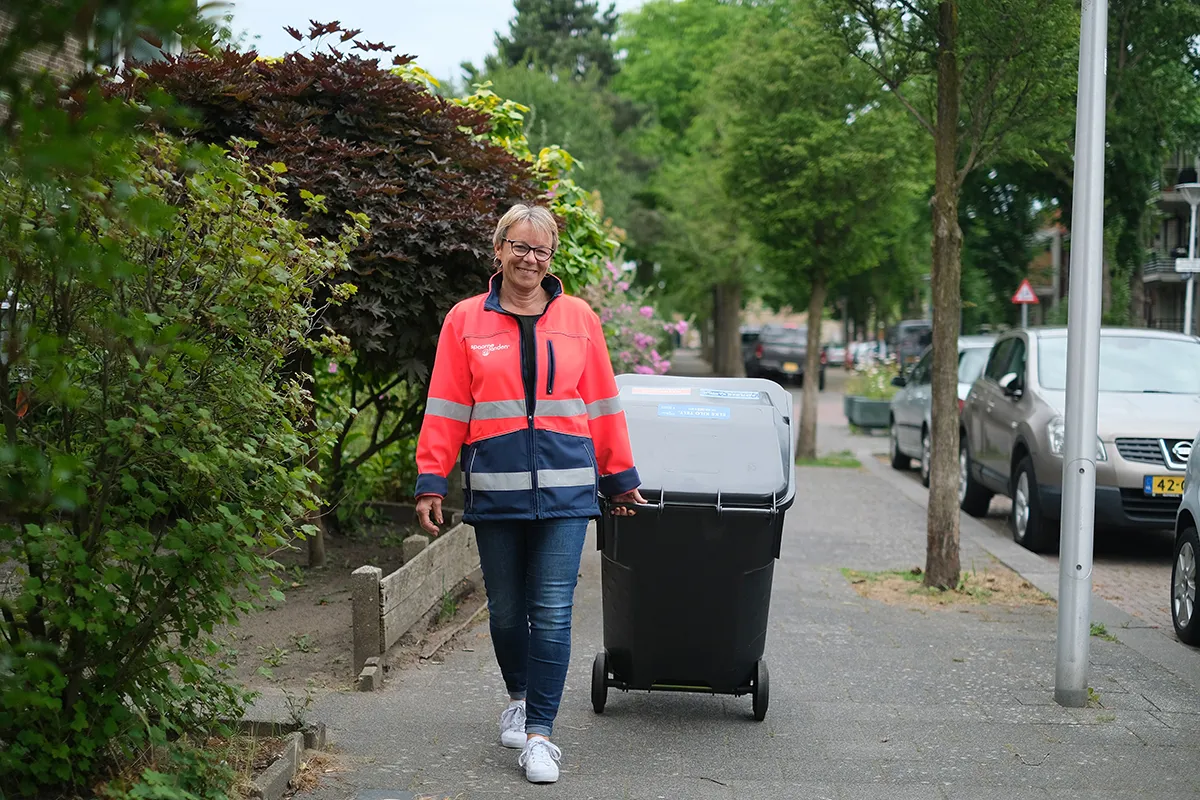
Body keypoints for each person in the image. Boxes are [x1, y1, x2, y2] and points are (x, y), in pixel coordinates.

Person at [414, 203, 645, 785]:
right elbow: (446, 404)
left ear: (551, 258)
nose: (530, 259)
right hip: (497, 490)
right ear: (498, 250)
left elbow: (603, 403)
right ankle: (519, 696)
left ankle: (541, 734)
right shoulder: (465, 320)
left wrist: (619, 477)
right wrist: (431, 478)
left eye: (541, 250)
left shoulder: (579, 318)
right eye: (519, 246)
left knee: (553, 610)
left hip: (567, 492)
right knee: (507, 611)